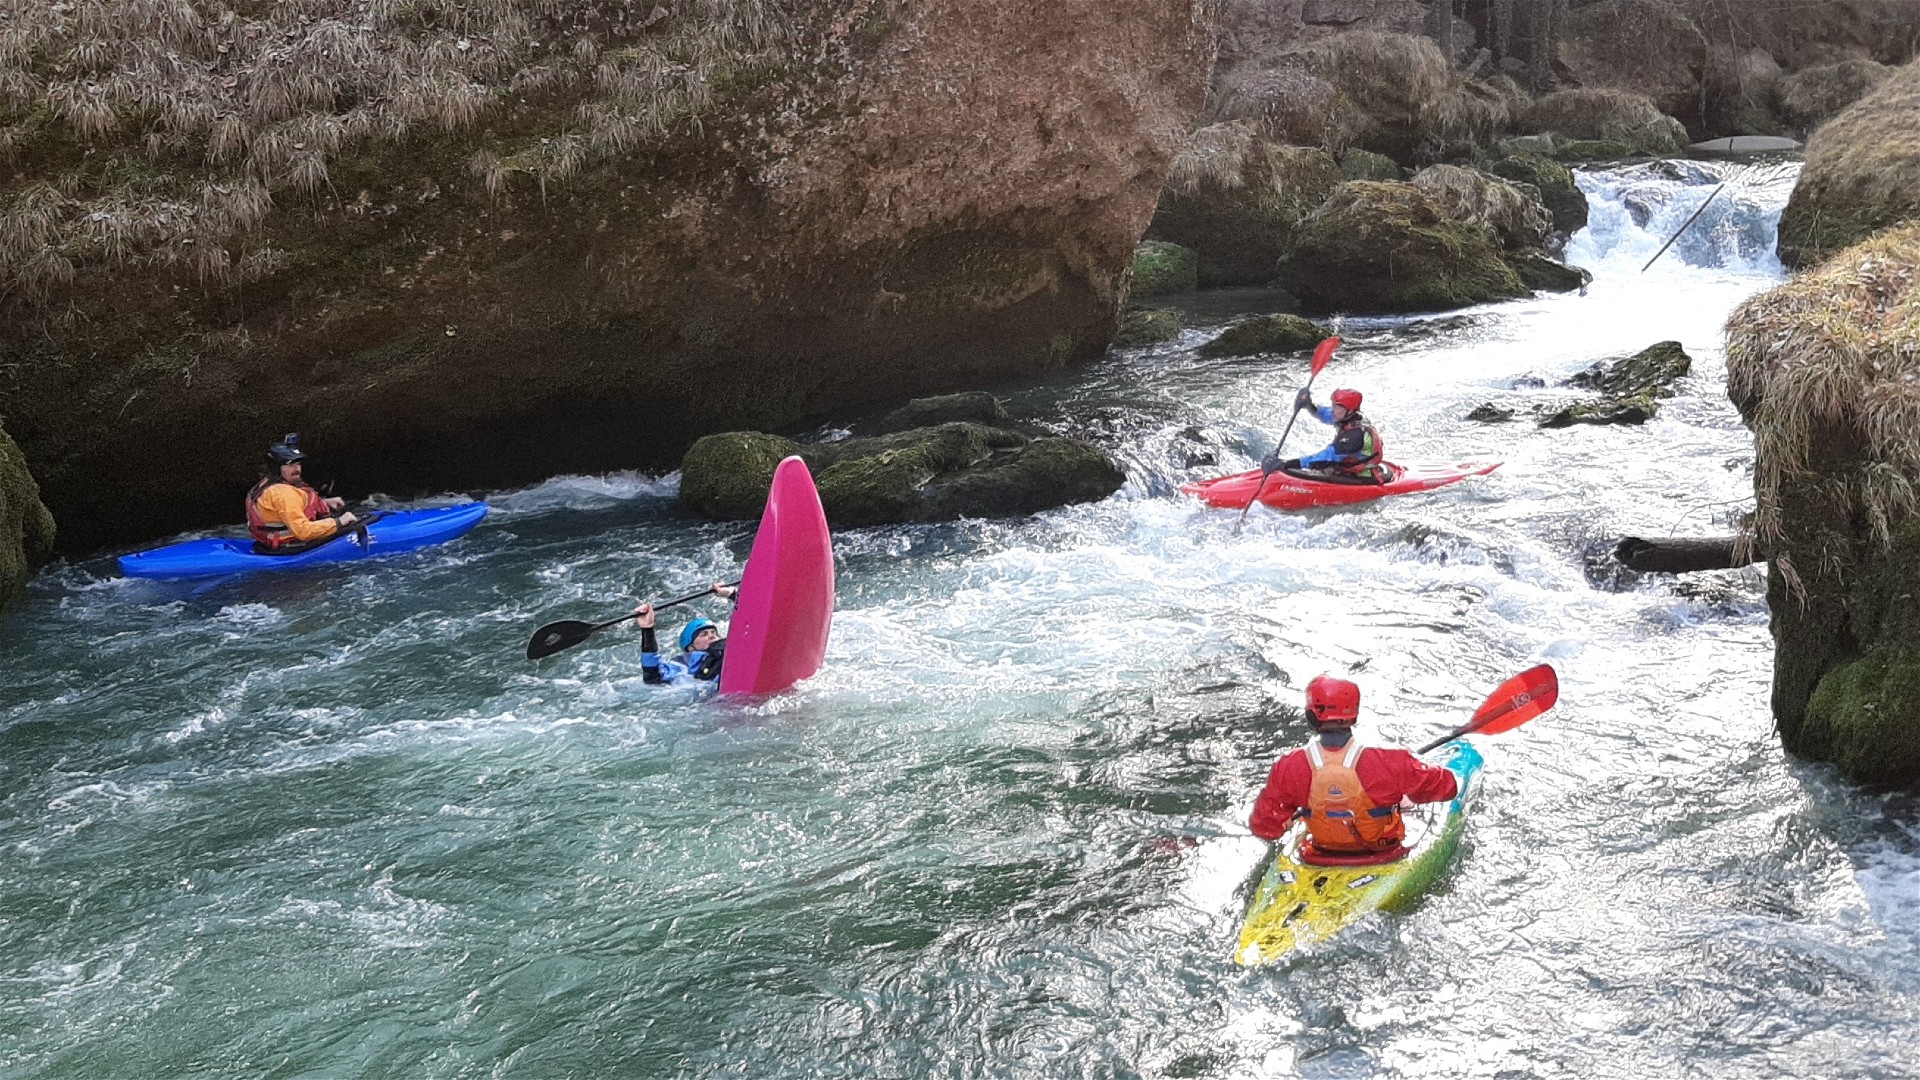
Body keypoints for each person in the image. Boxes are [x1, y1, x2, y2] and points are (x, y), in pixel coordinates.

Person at [1247, 675, 1460, 863]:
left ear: (1312, 716)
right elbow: (1448, 787)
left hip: (1320, 855)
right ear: (1353, 713)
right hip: (1383, 854)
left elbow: (1264, 827)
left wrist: (1291, 816)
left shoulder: (1288, 765)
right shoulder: (1390, 757)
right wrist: (1412, 767)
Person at [245, 433, 358, 553]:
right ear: (276, 468)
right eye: (290, 465)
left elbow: (281, 510)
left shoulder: (267, 484)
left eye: (298, 463)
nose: (297, 469)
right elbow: (303, 532)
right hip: (290, 548)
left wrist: (325, 502)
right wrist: (339, 522)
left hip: (267, 545)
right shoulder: (283, 494)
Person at [1261, 387, 1390, 484]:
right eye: (1333, 405)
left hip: (1362, 478)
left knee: (1309, 468)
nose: (1332, 409)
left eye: (1337, 407)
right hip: (1347, 469)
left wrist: (1287, 464)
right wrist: (1309, 406)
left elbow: (1325, 459)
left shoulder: (1354, 437)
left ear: (1350, 411)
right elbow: (1325, 414)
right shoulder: (1348, 416)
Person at [634, 584, 739, 684]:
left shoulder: (729, 645)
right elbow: (653, 676)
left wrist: (732, 594)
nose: (712, 636)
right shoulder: (685, 663)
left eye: (713, 632)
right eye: (704, 634)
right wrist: (647, 629)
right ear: (690, 647)